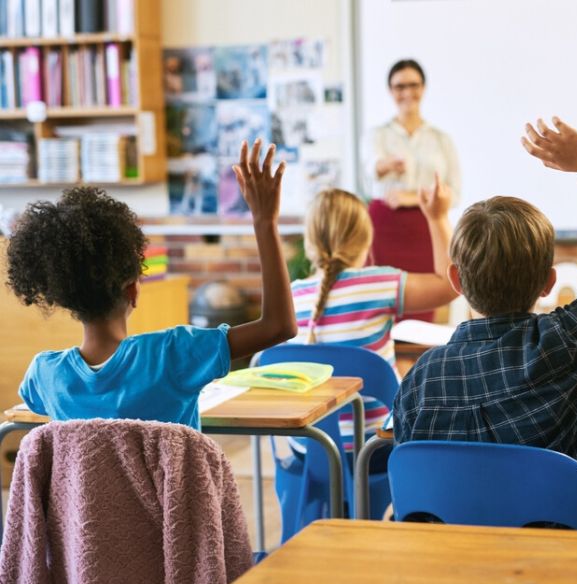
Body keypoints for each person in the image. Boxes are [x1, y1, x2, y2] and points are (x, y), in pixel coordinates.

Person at [393, 116, 577, 531]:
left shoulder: (420, 382)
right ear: (548, 284)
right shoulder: (566, 346)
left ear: (455, 282)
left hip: (454, 578)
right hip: (569, 578)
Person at [8, 140, 297, 429]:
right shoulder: (173, 355)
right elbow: (279, 326)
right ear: (132, 290)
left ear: (64, 297)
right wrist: (264, 220)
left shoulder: (45, 374)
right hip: (174, 478)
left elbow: (35, 402)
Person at [287, 176, 458, 467]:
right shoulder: (378, 284)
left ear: (310, 241)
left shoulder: (292, 297)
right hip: (372, 449)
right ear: (366, 239)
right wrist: (437, 217)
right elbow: (451, 283)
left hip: (308, 449)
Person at [363, 59, 460, 321]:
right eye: (399, 86)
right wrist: (384, 165)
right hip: (384, 227)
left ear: (423, 88)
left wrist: (410, 197)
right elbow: (369, 170)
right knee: (380, 299)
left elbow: (454, 191)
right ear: (390, 91)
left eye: (414, 85)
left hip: (427, 226)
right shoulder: (377, 135)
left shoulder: (441, 139)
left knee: (427, 299)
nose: (407, 92)